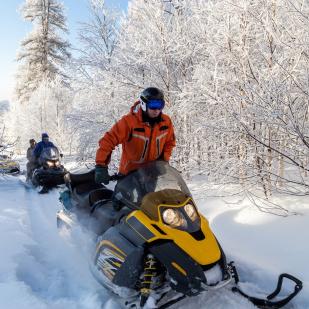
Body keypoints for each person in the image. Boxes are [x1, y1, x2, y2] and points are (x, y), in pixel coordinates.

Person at [95, 87, 176, 185]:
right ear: (144, 104)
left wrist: (163, 161)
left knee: (152, 200)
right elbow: (108, 140)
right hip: (129, 175)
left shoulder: (165, 122)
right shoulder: (129, 122)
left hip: (152, 174)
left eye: (160, 105)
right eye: (153, 105)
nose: (157, 110)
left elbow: (170, 142)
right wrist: (101, 165)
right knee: (121, 200)